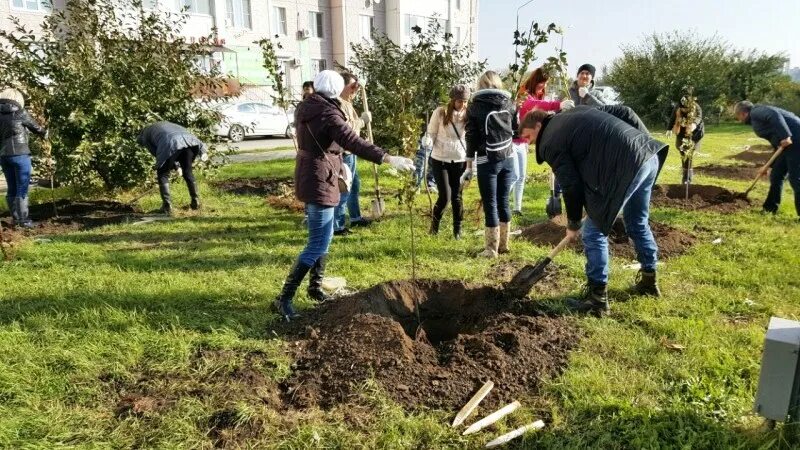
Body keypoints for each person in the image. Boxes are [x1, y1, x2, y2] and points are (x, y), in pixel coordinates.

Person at [275, 70, 414, 321]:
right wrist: (388, 158)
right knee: (318, 241)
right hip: (319, 178)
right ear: (337, 90)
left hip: (315, 174)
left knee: (324, 237)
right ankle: (283, 299)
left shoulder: (308, 106)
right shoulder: (328, 113)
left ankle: (315, 288)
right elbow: (352, 141)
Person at [519, 105, 669, 316]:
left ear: (538, 125)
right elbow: (625, 112)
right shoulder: (574, 112)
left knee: (592, 232)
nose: (529, 143)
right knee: (637, 221)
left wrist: (572, 223)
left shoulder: (549, 141)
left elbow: (570, 185)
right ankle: (649, 280)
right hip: (648, 156)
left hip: (624, 168)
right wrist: (641, 144)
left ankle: (597, 300)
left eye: (528, 136)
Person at [465, 71, 517, 257]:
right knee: (504, 201)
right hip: (508, 158)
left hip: (488, 160)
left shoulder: (475, 107)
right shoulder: (510, 103)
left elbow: (471, 137)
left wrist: (469, 166)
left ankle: (490, 249)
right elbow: (515, 130)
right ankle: (504, 245)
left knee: (490, 203)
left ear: (481, 85)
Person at [513, 68, 575, 215]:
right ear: (535, 81)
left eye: (545, 84)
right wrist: (558, 105)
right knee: (514, 176)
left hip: (525, 141)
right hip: (515, 139)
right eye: (541, 83)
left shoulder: (539, 95)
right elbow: (534, 105)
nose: (543, 87)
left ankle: (517, 208)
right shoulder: (523, 93)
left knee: (521, 176)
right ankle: (500, 202)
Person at [734, 101, 799, 218]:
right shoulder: (757, 120)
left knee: (795, 179)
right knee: (776, 175)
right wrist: (768, 166)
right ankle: (770, 208)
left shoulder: (756, 112)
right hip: (788, 144)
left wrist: (785, 135)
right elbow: (777, 144)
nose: (739, 120)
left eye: (738, 117)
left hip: (796, 140)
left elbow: (773, 114)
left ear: (743, 113)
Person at [426, 84, 470, 239]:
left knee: (457, 197)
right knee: (445, 197)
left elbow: (471, 139)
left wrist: (472, 164)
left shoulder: (468, 115)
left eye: (465, 101)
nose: (462, 104)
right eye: (459, 101)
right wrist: (428, 141)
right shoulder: (440, 112)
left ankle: (457, 231)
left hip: (459, 159)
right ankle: (434, 227)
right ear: (452, 100)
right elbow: (431, 133)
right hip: (440, 159)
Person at [137, 121, 208, 215]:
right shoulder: (162, 125)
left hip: (170, 142)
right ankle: (196, 202)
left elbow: (160, 154)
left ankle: (167, 206)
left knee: (162, 173)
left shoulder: (145, 136)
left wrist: (172, 166)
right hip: (191, 142)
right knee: (188, 172)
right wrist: (177, 167)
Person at [333, 73, 372, 236]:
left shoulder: (347, 102)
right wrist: (363, 121)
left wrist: (363, 137)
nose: (354, 90)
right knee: (344, 189)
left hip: (351, 151)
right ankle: (337, 226)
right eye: (351, 87)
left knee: (354, 185)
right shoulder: (338, 104)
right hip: (344, 153)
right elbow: (347, 129)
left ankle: (355, 217)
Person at [0, 88, 46, 228]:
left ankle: (15, 218)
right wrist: (45, 133)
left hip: (3, 156)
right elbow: (37, 128)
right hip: (20, 154)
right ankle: (24, 221)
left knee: (12, 187)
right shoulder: (20, 113)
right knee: (22, 187)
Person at [667, 90, 704, 184]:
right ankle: (685, 174)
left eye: (685, 109)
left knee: (689, 153)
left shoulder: (696, 107)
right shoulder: (678, 106)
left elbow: (699, 117)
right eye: (682, 108)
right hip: (681, 132)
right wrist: (669, 129)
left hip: (695, 132)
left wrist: (694, 125)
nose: (683, 110)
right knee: (681, 150)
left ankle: (687, 179)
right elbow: (672, 117)